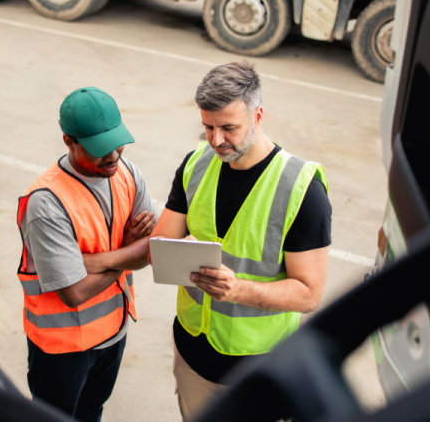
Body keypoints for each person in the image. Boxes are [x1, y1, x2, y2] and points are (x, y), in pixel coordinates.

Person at [150, 62, 332, 421]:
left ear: (258, 114)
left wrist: (237, 290)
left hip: (259, 371)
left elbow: (309, 294)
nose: (216, 140)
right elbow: (161, 243)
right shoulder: (195, 165)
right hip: (192, 359)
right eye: (208, 127)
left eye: (228, 127)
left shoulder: (301, 189)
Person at [16, 87, 157, 422]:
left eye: (117, 143)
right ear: (69, 141)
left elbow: (152, 247)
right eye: (98, 149)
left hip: (114, 332)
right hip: (62, 347)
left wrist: (94, 260)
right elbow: (73, 292)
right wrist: (126, 250)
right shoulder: (46, 203)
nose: (112, 156)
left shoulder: (127, 173)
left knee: (91, 412)